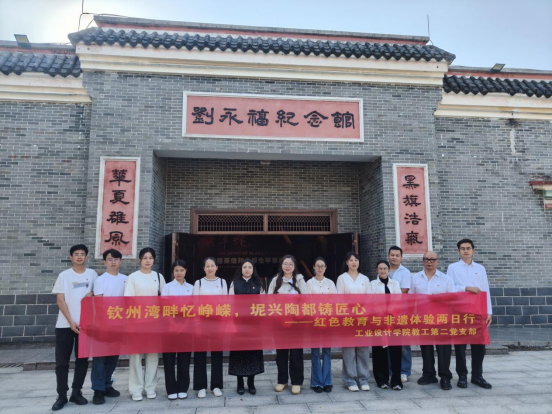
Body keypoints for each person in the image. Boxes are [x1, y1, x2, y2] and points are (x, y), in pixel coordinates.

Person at [51, 244, 98, 411]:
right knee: (62, 362)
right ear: (71, 257)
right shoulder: (64, 276)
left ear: (86, 257)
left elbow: (96, 294)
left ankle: (76, 392)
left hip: (85, 326)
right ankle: (62, 395)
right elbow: (60, 300)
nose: (79, 256)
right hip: (65, 325)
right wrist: (71, 322)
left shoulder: (92, 274)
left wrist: (91, 293)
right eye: (76, 254)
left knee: (82, 360)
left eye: (82, 254)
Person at [447, 239, 493, 389]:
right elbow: (450, 288)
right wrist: (466, 288)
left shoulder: (480, 268)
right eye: (462, 248)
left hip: (478, 311)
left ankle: (477, 376)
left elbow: (485, 290)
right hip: (459, 311)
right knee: (460, 346)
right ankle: (462, 375)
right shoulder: (452, 268)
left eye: (468, 248)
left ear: (473, 250)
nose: (466, 251)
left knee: (479, 345)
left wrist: (489, 312)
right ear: (458, 251)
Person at [410, 251, 456, 391]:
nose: (429, 262)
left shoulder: (445, 279)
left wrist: (440, 297)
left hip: (442, 319)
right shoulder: (416, 278)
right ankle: (428, 374)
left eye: (432, 259)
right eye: (426, 259)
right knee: (426, 348)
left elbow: (453, 297)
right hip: (424, 318)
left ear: (437, 261)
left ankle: (445, 376)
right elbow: (411, 299)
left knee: (444, 350)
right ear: (423, 261)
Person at [124, 247, 166, 401]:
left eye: (150, 258)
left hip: (154, 322)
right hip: (137, 322)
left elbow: (164, 299)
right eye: (145, 258)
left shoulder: (159, 277)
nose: (148, 261)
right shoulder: (133, 277)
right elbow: (128, 301)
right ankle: (136, 389)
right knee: (135, 356)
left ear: (154, 260)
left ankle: (150, 387)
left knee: (153, 356)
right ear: (139, 260)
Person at [268, 255, 308, 395]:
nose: (288, 266)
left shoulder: (300, 280)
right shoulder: (276, 280)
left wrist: (297, 314)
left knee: (296, 353)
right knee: (281, 353)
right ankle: (282, 380)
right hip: (279, 323)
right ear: (281, 265)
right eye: (285, 263)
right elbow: (270, 300)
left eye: (290, 264)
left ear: (294, 266)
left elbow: (306, 299)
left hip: (296, 322)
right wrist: (279, 315)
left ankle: (296, 381)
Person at [91, 249, 127, 405]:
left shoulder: (126, 279)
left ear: (120, 261)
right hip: (103, 325)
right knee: (100, 358)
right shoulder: (100, 280)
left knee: (113, 357)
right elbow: (99, 304)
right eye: (110, 259)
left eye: (116, 259)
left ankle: (107, 385)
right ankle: (98, 390)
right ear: (105, 261)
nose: (113, 262)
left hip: (119, 324)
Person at [336, 251, 372, 392]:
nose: (354, 262)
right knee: (349, 350)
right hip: (348, 319)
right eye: (351, 260)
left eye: (356, 260)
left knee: (363, 349)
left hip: (362, 318)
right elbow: (340, 299)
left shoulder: (365, 279)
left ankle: (363, 379)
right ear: (346, 262)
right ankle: (350, 380)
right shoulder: (342, 278)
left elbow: (369, 298)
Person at [228, 259, 265, 395]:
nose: (247, 269)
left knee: (252, 353)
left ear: (253, 269)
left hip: (254, 325)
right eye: (245, 267)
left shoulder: (259, 284)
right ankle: (240, 383)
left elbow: (263, 304)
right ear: (241, 269)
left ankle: (251, 382)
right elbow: (230, 304)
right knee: (239, 353)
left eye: (250, 267)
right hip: (238, 324)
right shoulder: (234, 283)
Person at [193, 257, 228, 398]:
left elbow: (225, 303)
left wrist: (224, 323)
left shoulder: (222, 282)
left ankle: (216, 385)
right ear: (203, 268)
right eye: (207, 266)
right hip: (202, 321)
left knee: (217, 354)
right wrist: (196, 324)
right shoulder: (199, 283)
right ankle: (201, 386)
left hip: (217, 321)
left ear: (217, 267)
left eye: (212, 265)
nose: (210, 268)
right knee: (200, 354)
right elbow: (195, 304)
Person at [162, 259, 194, 400]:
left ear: (186, 271)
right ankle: (171, 389)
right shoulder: (167, 287)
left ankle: (182, 387)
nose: (179, 273)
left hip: (187, 325)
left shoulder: (191, 288)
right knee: (169, 359)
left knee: (184, 358)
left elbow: (193, 308)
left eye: (181, 270)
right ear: (173, 272)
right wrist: (172, 324)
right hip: (169, 325)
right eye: (176, 270)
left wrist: (185, 324)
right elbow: (164, 307)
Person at [370, 260, 403, 390]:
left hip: (394, 321)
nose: (382, 271)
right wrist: (381, 315)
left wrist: (390, 313)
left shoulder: (395, 283)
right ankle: (381, 380)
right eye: (380, 268)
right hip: (378, 321)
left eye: (385, 268)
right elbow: (372, 301)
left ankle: (396, 381)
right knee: (379, 352)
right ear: (376, 270)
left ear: (388, 270)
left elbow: (398, 300)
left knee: (396, 351)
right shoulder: (372, 284)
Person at [306, 257, 337, 393]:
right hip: (314, 320)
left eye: (322, 266)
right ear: (313, 267)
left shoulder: (330, 283)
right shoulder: (309, 283)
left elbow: (334, 301)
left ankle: (327, 381)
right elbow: (307, 301)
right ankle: (317, 382)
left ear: (325, 268)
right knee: (315, 352)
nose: (320, 268)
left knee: (327, 351)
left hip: (328, 320)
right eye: (317, 266)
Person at [387, 246, 412, 383]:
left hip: (401, 312)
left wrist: (390, 303)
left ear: (401, 257)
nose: (394, 257)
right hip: (386, 313)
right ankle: (391, 370)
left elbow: (404, 291)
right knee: (388, 341)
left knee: (403, 343)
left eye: (397, 255)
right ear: (388, 256)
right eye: (392, 255)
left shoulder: (405, 272)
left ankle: (404, 371)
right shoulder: (384, 270)